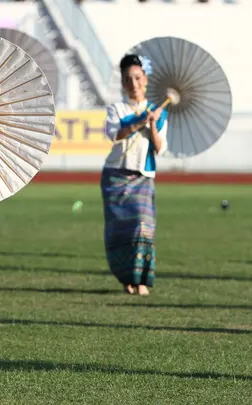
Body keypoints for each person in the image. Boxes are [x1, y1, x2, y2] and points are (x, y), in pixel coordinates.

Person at [100, 54, 168, 296]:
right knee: (120, 231)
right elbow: (115, 134)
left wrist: (152, 124)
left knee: (143, 226)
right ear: (123, 82)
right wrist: (141, 120)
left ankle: (141, 280)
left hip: (143, 176)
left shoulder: (158, 112)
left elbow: (159, 148)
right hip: (115, 176)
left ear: (145, 80)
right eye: (128, 79)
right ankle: (126, 279)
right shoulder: (116, 109)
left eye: (138, 78)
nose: (134, 84)